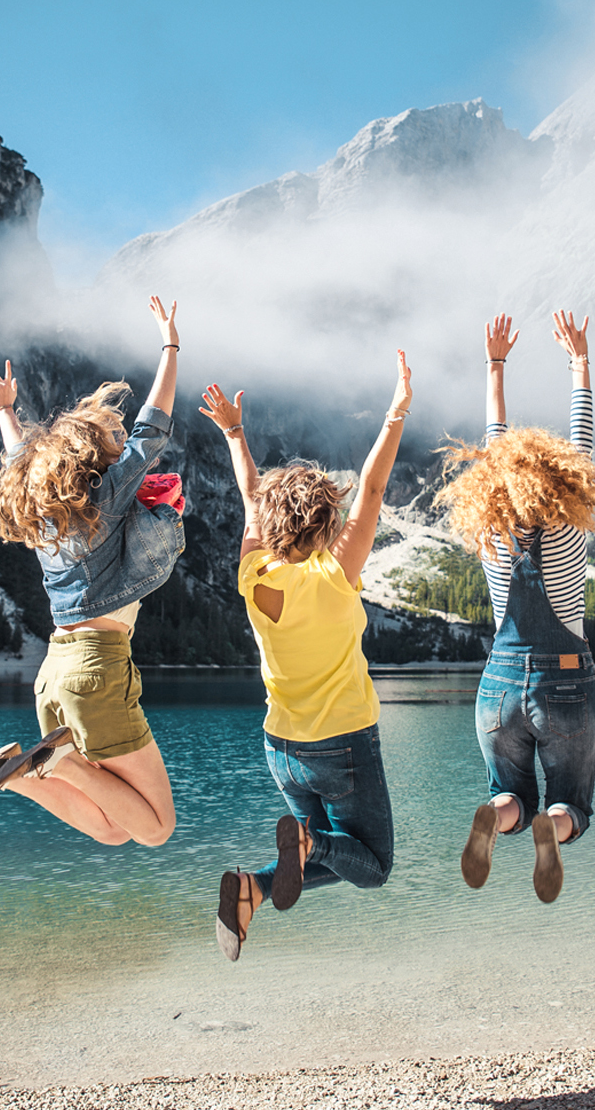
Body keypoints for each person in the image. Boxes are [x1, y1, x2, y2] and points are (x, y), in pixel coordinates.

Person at [198, 351, 412, 961]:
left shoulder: (253, 571)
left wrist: (235, 432)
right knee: (371, 866)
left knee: (330, 852)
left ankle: (255, 888)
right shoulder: (336, 574)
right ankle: (304, 850)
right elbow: (372, 487)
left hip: (281, 748)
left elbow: (248, 494)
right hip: (342, 743)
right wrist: (395, 412)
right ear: (326, 527)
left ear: (268, 524)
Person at [0, 297, 185, 851]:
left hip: (53, 675)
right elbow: (152, 428)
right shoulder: (102, 498)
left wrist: (7, 411)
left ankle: (18, 774)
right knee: (156, 829)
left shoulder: (40, 517)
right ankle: (59, 764)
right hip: (96, 673)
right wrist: (170, 346)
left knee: (111, 828)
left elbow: (17, 465)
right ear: (90, 459)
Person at [436, 311, 595, 904]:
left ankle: (498, 813)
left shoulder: (489, 532)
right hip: (566, 683)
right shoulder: (569, 527)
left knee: (508, 788)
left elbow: (493, 445)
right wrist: (579, 361)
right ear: (566, 478)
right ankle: (552, 827)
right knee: (572, 802)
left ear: (497, 483)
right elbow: (582, 435)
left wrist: (495, 364)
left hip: (498, 686)